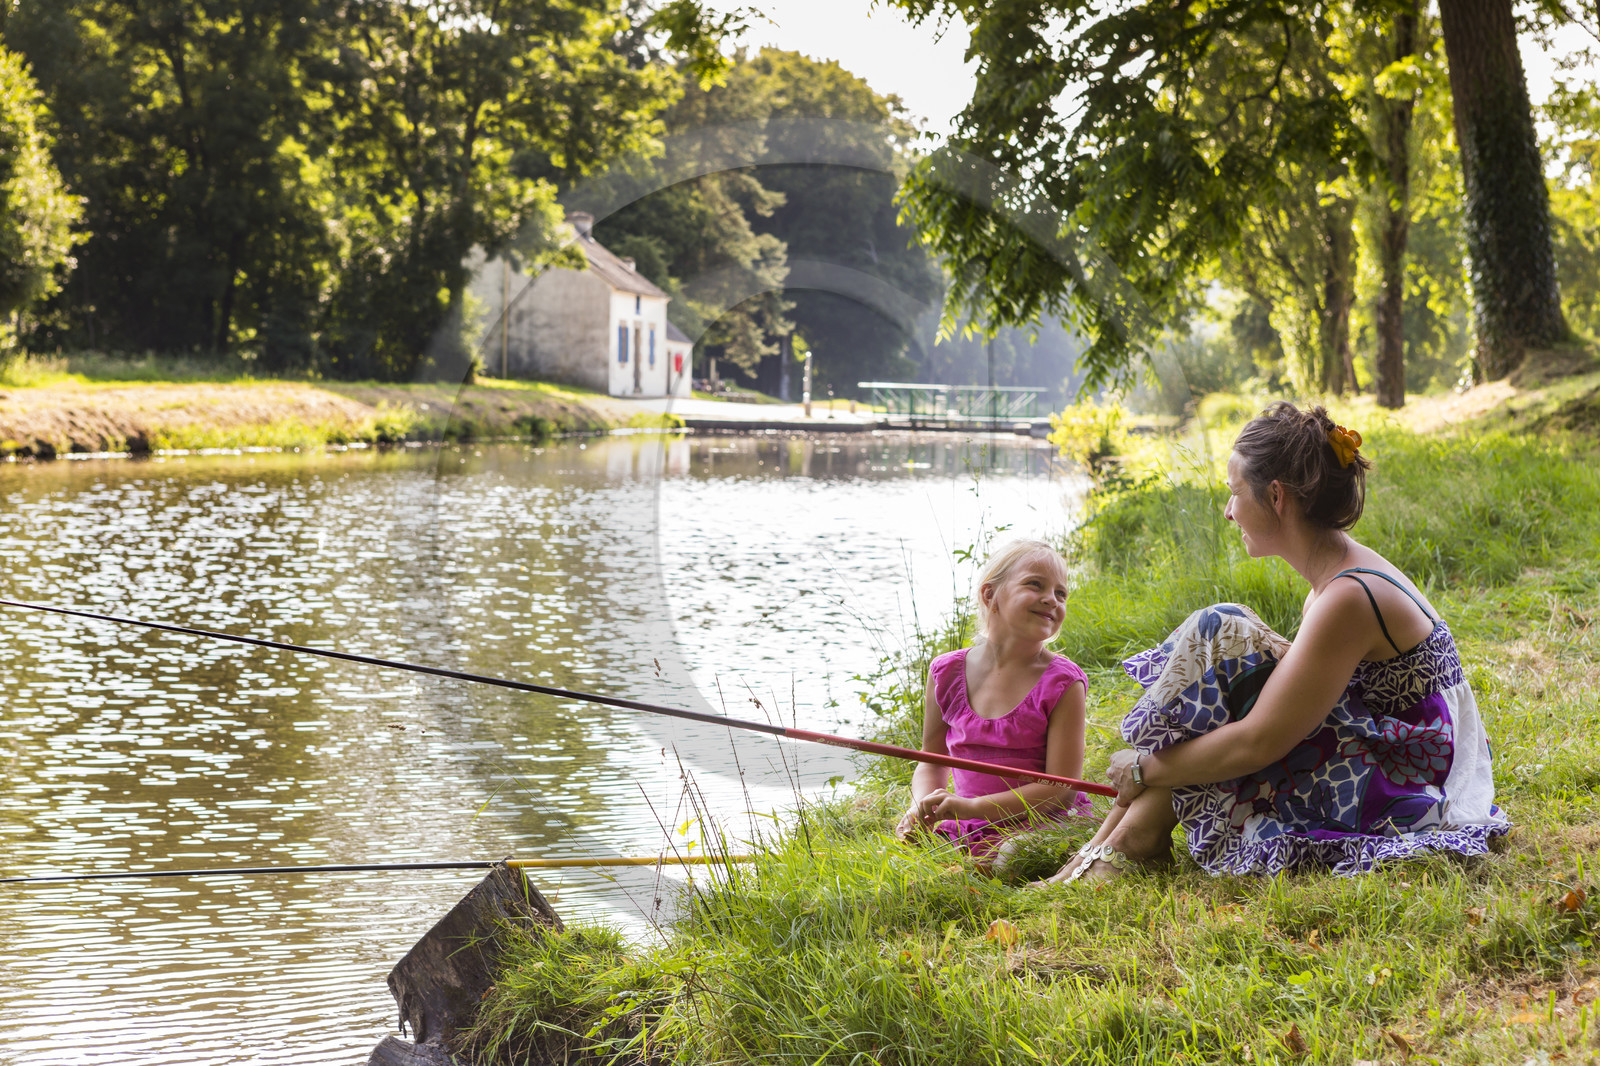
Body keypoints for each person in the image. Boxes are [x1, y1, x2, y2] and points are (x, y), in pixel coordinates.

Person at [1048, 402, 1507, 884]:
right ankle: (1114, 841)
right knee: (1227, 631)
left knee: (1221, 630)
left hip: (1411, 778)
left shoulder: (1347, 597)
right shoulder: (1337, 577)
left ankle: (1127, 840)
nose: (1228, 512)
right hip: (1383, 740)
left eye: (1234, 493)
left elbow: (1260, 740)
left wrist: (1144, 769)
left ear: (1276, 496)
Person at [896, 539, 1094, 871]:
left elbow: (1059, 787)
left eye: (1061, 594)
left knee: (1012, 857)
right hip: (969, 817)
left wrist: (971, 808)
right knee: (917, 845)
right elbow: (931, 759)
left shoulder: (1063, 683)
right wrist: (923, 806)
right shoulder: (945, 673)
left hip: (1043, 817)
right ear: (990, 595)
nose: (1052, 599)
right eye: (1035, 584)